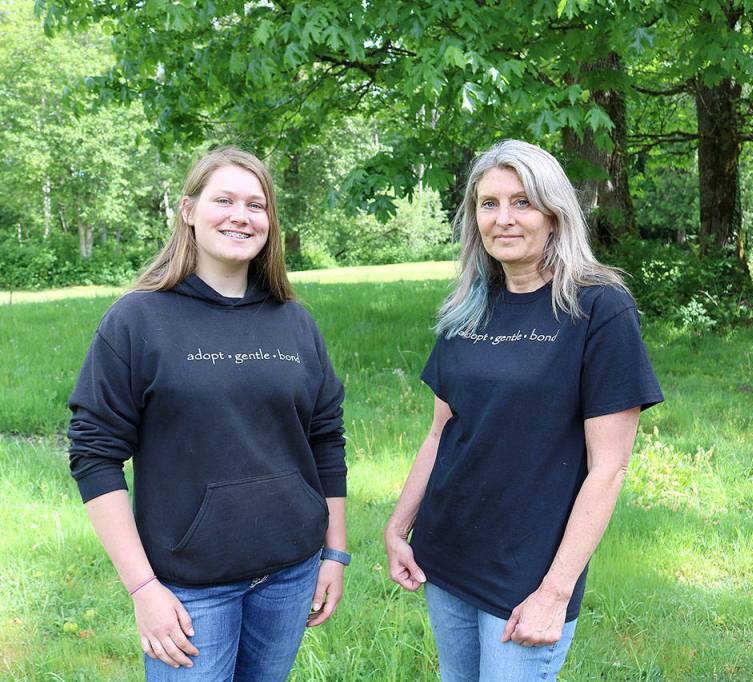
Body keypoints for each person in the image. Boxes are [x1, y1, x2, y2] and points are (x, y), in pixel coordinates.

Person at [384, 139, 663, 681]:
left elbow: (609, 467)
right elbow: (441, 433)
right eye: (488, 204)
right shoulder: (468, 307)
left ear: (554, 214)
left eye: (522, 202)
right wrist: (400, 527)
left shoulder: (599, 308)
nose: (503, 219)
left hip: (529, 571)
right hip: (448, 553)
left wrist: (554, 593)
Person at [67, 147, 350, 680]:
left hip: (291, 574)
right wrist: (143, 587)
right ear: (188, 210)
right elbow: (94, 455)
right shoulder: (137, 319)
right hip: (189, 588)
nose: (240, 216)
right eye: (224, 200)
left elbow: (326, 438)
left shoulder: (294, 321)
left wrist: (334, 553)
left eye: (256, 205)